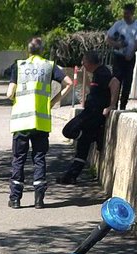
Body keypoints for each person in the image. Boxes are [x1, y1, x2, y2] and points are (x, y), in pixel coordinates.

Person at [7, 36, 71, 209]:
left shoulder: (19, 66)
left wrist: (15, 98)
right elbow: (69, 83)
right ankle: (39, 200)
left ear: (28, 50)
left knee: (18, 159)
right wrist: (53, 101)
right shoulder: (49, 66)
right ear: (42, 50)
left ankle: (15, 199)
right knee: (39, 158)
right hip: (41, 121)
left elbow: (9, 93)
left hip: (21, 121)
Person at [58, 51, 119, 185]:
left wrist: (111, 105)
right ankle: (71, 176)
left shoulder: (102, 73)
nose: (82, 64)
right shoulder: (97, 73)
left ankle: (92, 135)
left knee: (68, 131)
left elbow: (114, 82)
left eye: (84, 61)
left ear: (90, 62)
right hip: (90, 111)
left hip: (93, 114)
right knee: (82, 147)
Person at [106, 3, 137, 110]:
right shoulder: (118, 24)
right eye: (124, 13)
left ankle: (123, 105)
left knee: (127, 81)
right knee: (116, 79)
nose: (125, 15)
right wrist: (116, 44)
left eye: (127, 13)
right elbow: (108, 38)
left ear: (132, 13)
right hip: (118, 56)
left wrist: (131, 53)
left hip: (129, 57)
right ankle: (113, 104)